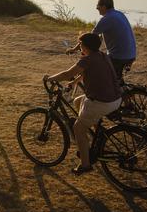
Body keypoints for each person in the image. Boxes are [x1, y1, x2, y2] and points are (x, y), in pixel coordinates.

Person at [46, 32, 122, 175]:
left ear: (85, 46)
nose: (79, 47)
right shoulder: (102, 55)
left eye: (80, 44)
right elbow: (87, 73)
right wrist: (74, 82)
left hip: (102, 102)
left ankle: (85, 165)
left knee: (78, 129)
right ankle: (96, 133)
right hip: (116, 99)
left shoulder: (86, 60)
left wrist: (49, 78)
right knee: (78, 101)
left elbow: (67, 74)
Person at [70, 0, 136, 82]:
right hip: (131, 54)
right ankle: (125, 93)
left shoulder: (106, 19)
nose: (96, 8)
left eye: (98, 6)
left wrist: (74, 49)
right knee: (116, 79)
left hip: (118, 57)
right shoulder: (119, 14)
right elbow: (98, 37)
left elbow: (88, 39)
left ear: (104, 6)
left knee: (98, 73)